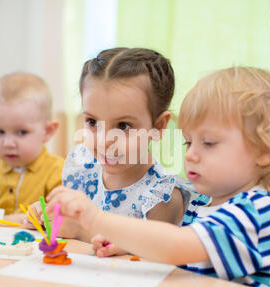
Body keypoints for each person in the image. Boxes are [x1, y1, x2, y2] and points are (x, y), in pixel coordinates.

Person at [45, 66, 270, 287]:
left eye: (209, 143)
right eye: (189, 142)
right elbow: (182, 255)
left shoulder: (251, 212)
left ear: (264, 152)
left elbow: (177, 247)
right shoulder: (203, 204)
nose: (190, 154)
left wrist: (95, 218)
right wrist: (128, 245)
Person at [25, 48, 197, 256]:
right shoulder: (82, 169)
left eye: (123, 125)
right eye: (92, 122)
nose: (104, 140)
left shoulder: (161, 196)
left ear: (159, 126)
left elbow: (152, 253)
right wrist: (45, 216)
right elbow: (63, 221)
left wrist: (79, 230)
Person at [0, 72, 65, 220]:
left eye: (21, 132)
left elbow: (62, 221)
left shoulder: (59, 173)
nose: (8, 143)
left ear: (47, 131)